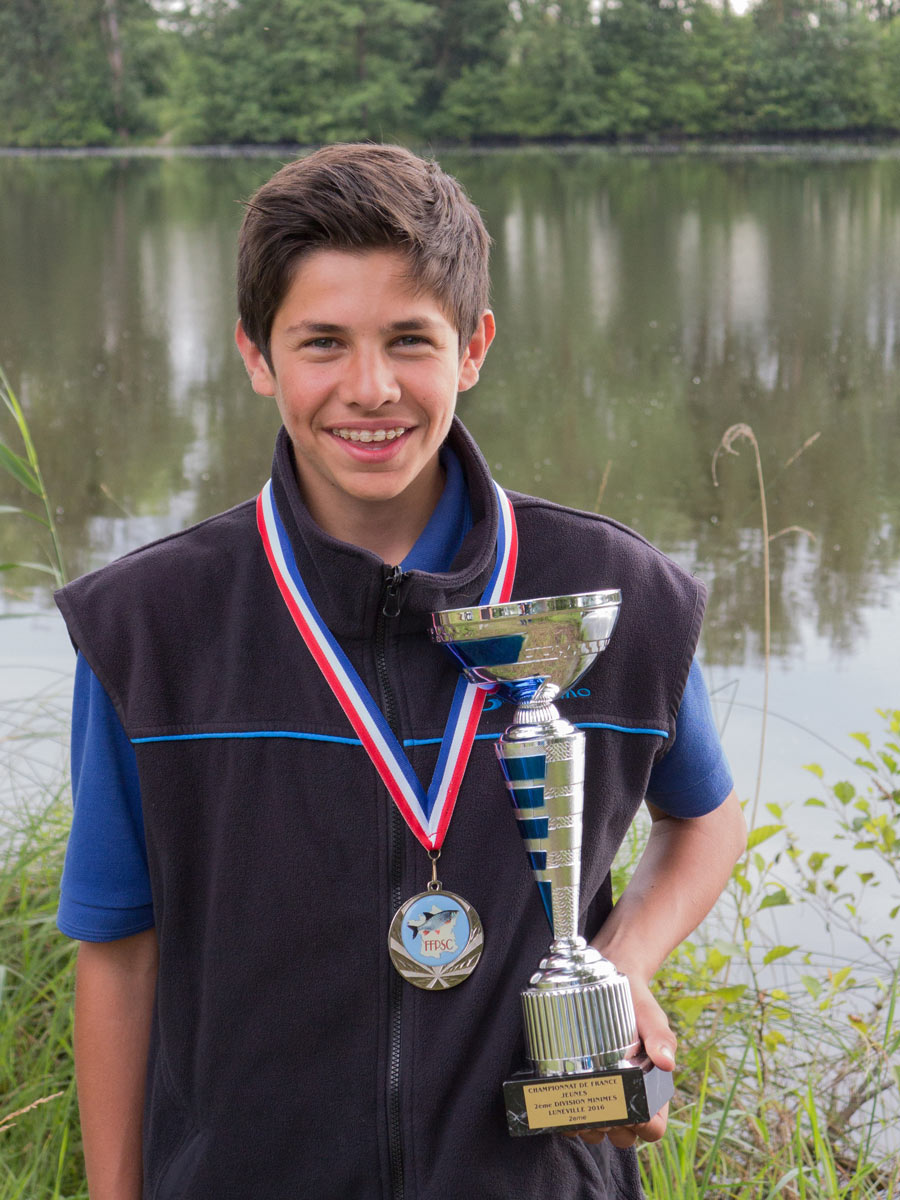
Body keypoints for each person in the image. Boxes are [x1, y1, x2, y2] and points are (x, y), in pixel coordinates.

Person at [55, 143, 746, 1200]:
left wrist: (622, 957)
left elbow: (706, 818)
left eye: (409, 341)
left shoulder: (609, 594)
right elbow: (118, 951)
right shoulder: (152, 625)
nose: (368, 389)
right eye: (321, 342)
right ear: (256, 353)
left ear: (474, 347)